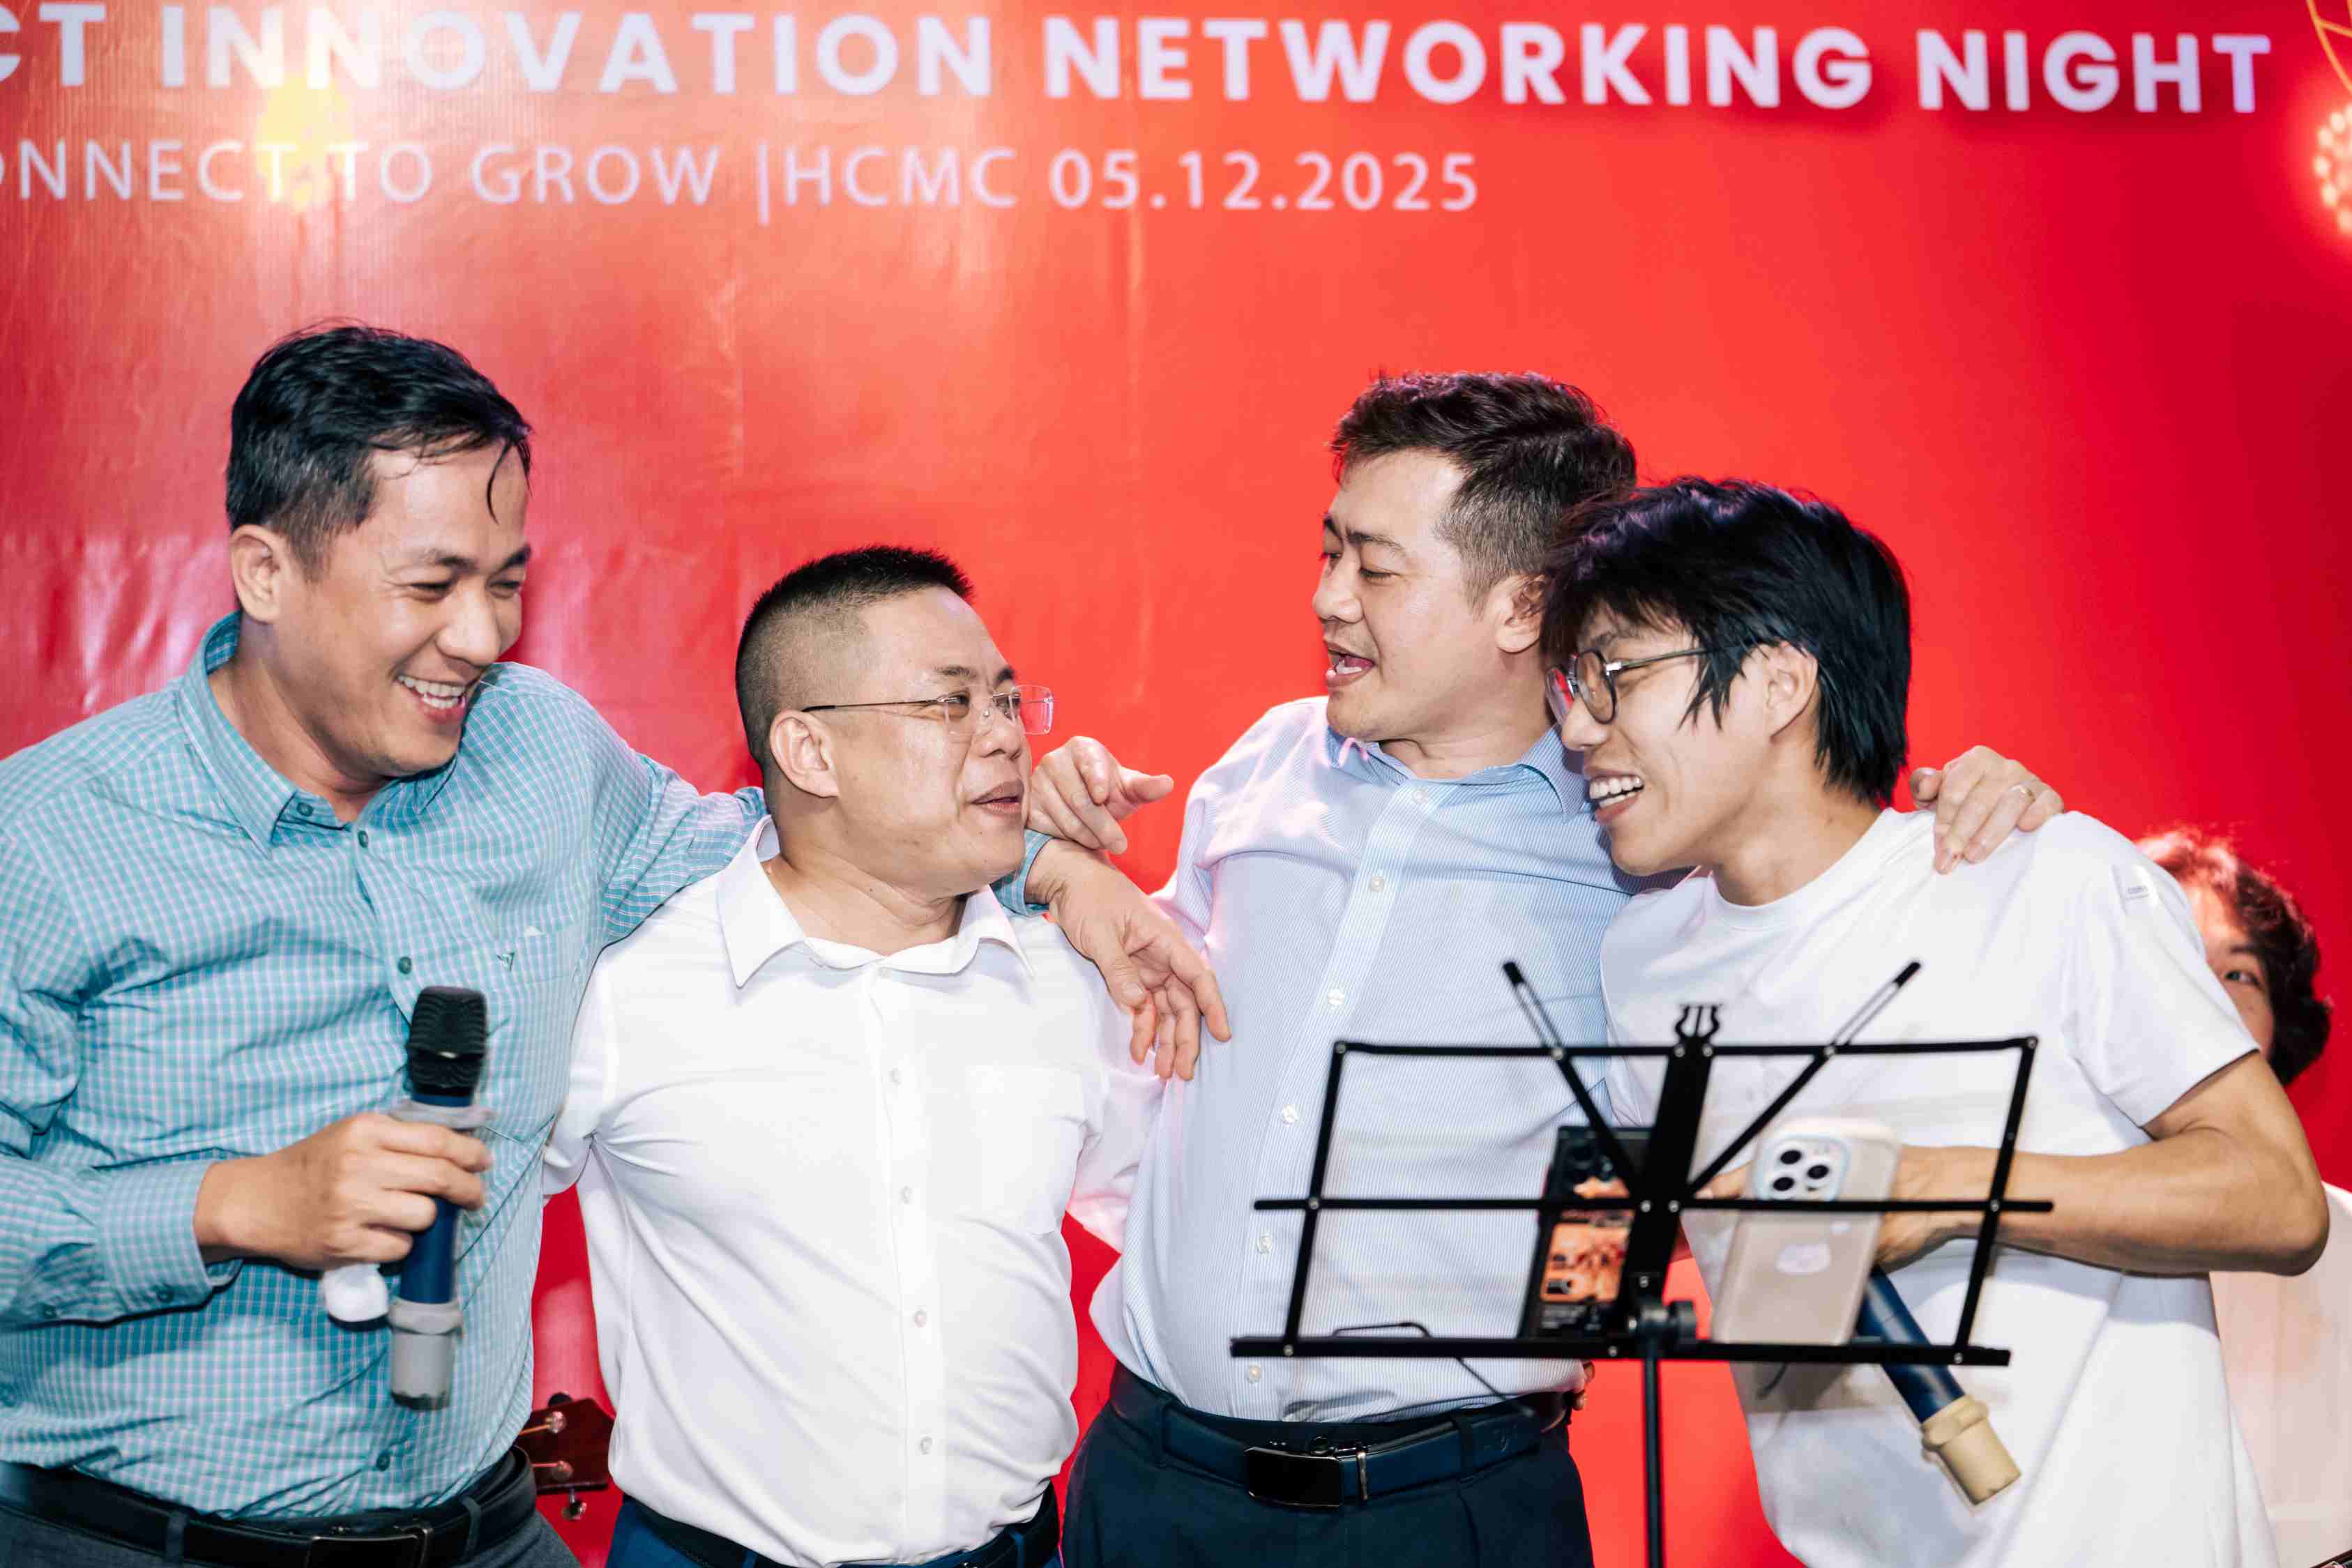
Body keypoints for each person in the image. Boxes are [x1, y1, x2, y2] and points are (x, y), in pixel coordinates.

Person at [0, 326, 1215, 1567]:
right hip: (134, 1540)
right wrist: (229, 1204)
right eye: (432, 585)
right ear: (265, 571)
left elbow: (799, 838)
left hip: (480, 1530)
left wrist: (1047, 865)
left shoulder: (538, 754)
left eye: (505, 581)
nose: (482, 636)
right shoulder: (47, 837)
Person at [1027, 373, 2061, 1567]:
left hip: (1446, 1507)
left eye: (1373, 567)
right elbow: (1140, 1035)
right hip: (1152, 1480)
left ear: (1522, 607)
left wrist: (1981, 796)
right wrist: (1048, 862)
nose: (1326, 598)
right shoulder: (1262, 766)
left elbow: (1723, 1144)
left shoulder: (1645, 847)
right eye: (1328, 550)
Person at [1548, 478, 2329, 1567]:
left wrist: (1946, 1189)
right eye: (1571, 684)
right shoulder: (1640, 956)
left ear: (1778, 683)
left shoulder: (2038, 873)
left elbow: (2278, 1198)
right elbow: (1604, 1258)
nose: (1577, 727)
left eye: (1615, 674)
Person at [544, 547, 1158, 1568]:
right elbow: (467, 1221)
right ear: (809, 752)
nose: (1005, 734)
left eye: (1009, 699)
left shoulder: (1067, 978)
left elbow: (1183, 1224)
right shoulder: (633, 988)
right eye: (950, 704)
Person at [2140, 826, 2349, 1568]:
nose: (2205, 993)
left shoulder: (2345, 1238)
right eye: (2169, 953)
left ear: (2277, 1027)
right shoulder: (2016, 1218)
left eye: (2238, 974)